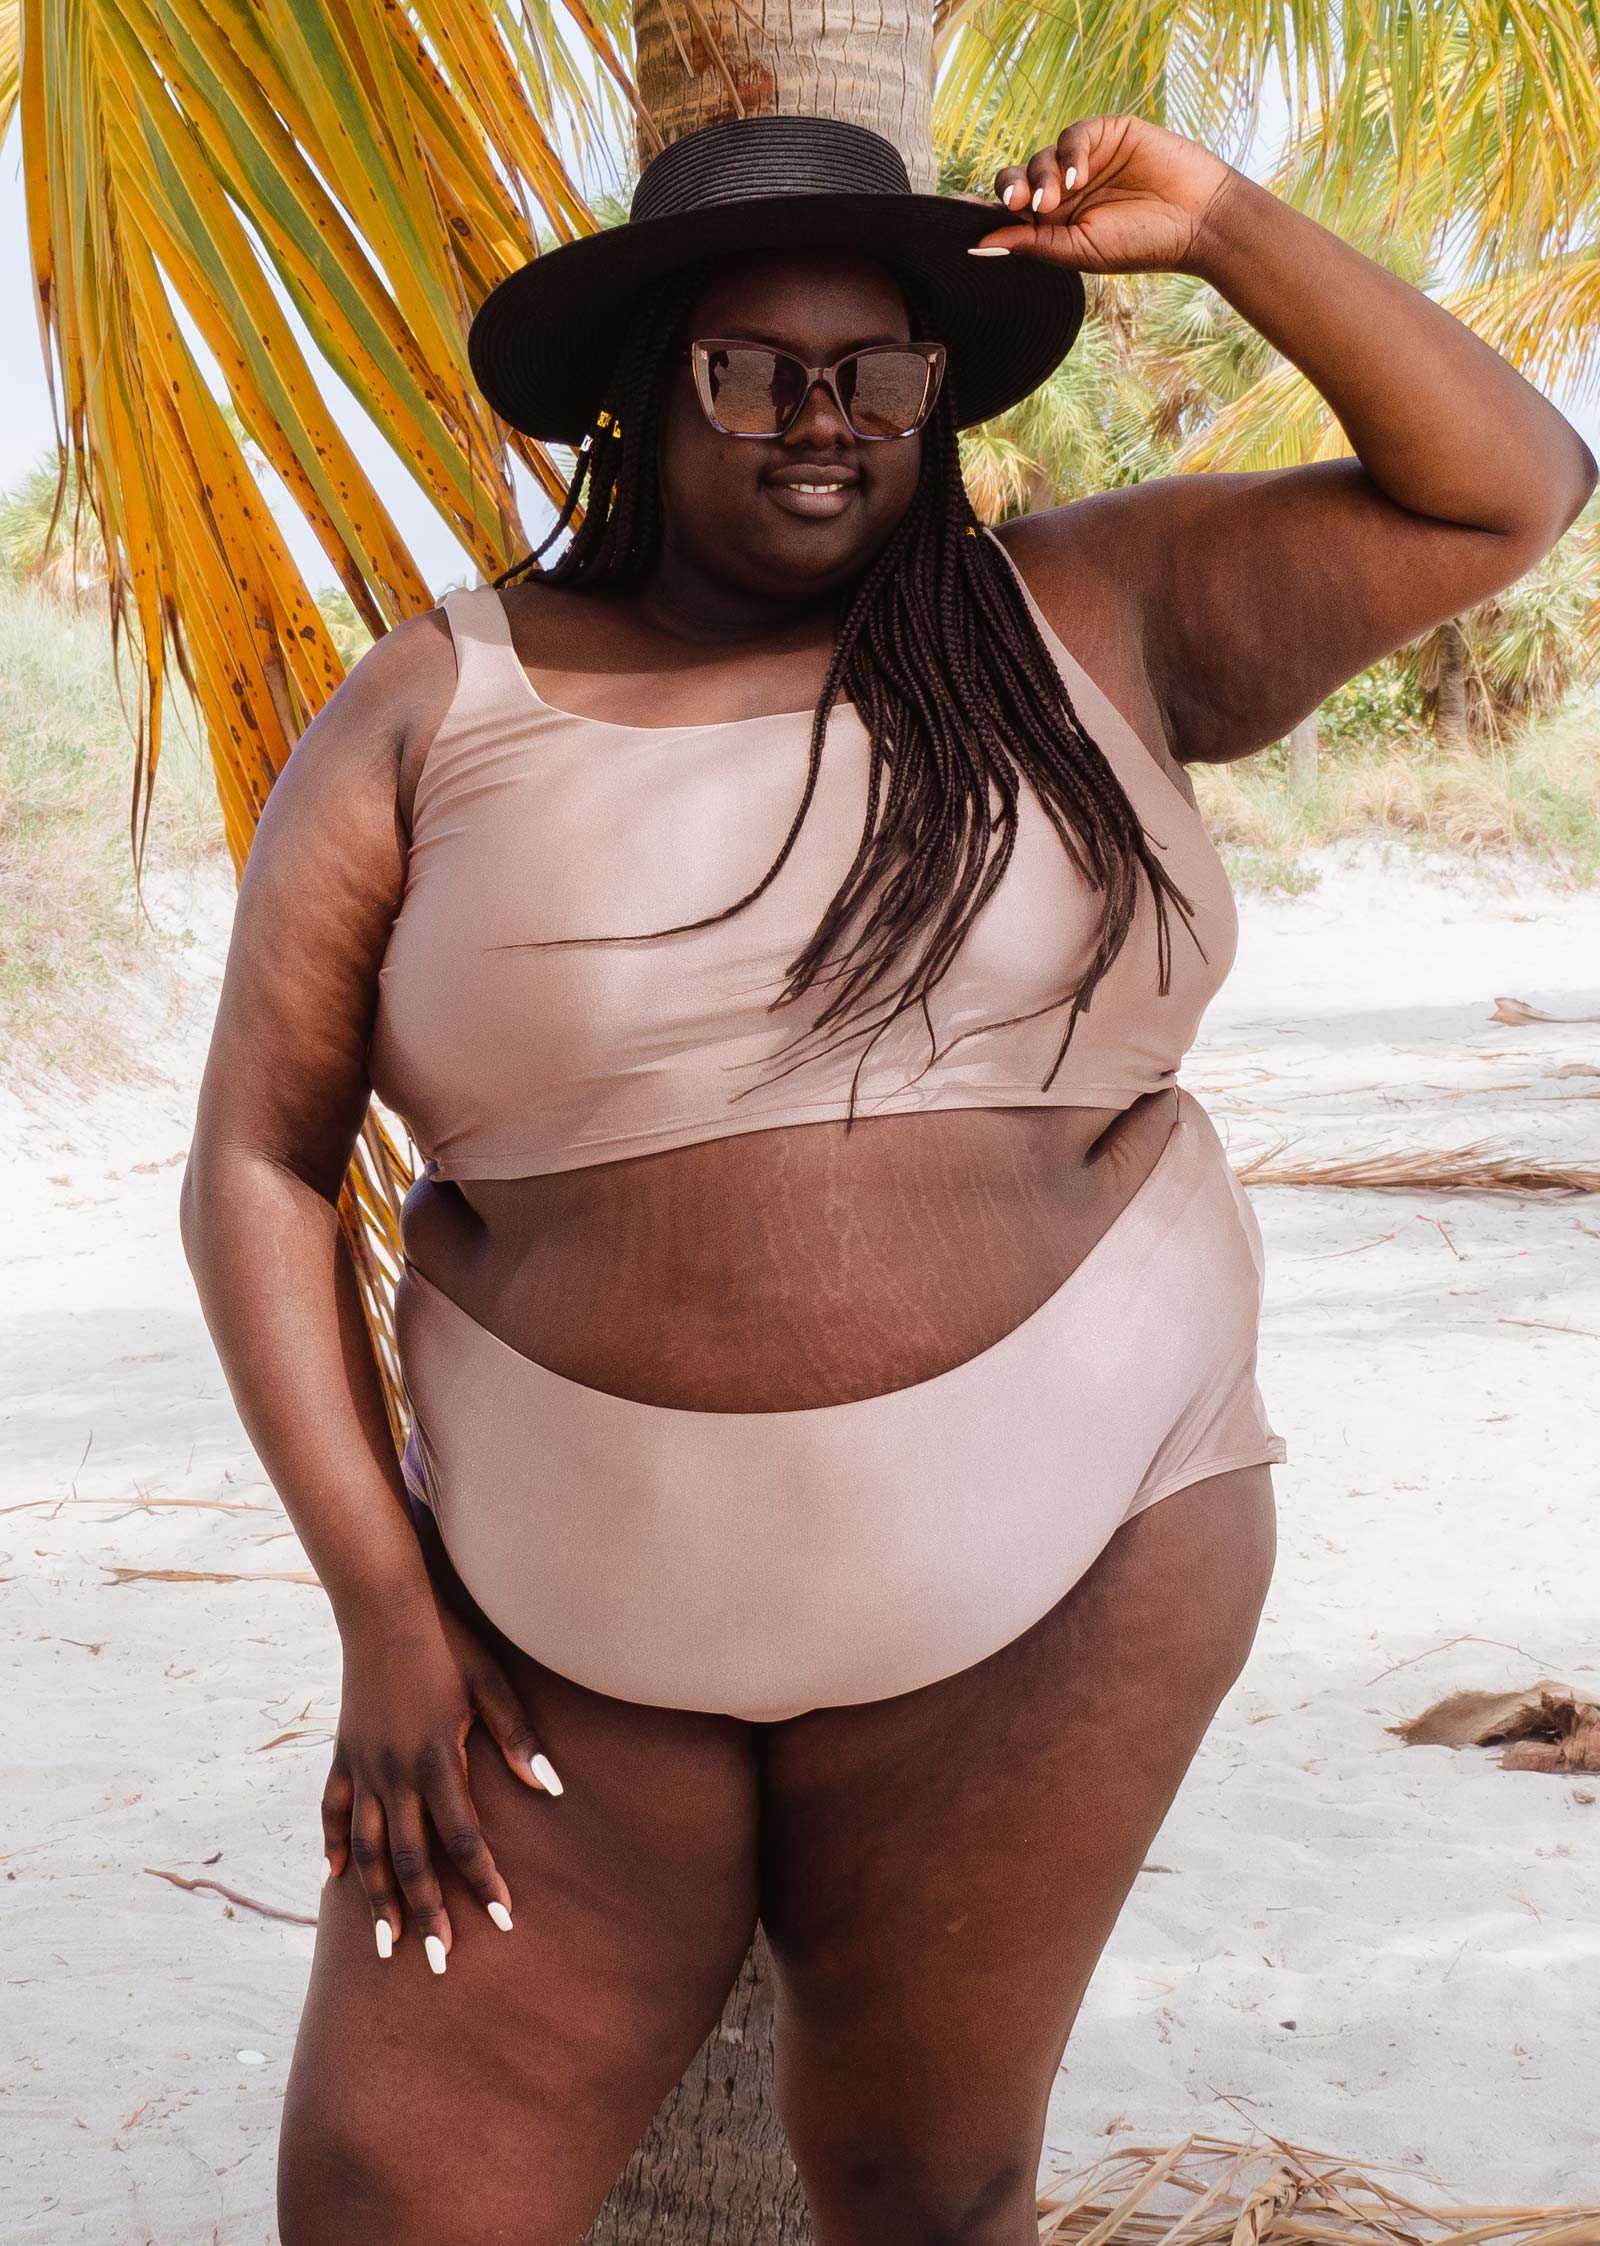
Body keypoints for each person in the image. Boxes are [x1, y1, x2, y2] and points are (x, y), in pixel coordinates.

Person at [181, 108, 1594, 2246]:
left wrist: (1211, 227)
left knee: (927, 2189)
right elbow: (259, 1161)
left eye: (881, 374)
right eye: (753, 370)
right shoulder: (430, 706)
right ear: (644, 392)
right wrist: (380, 1610)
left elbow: (1508, 485)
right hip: (544, 1627)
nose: (822, 422)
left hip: (1070, 1555)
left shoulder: (1087, 611)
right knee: (388, 2197)